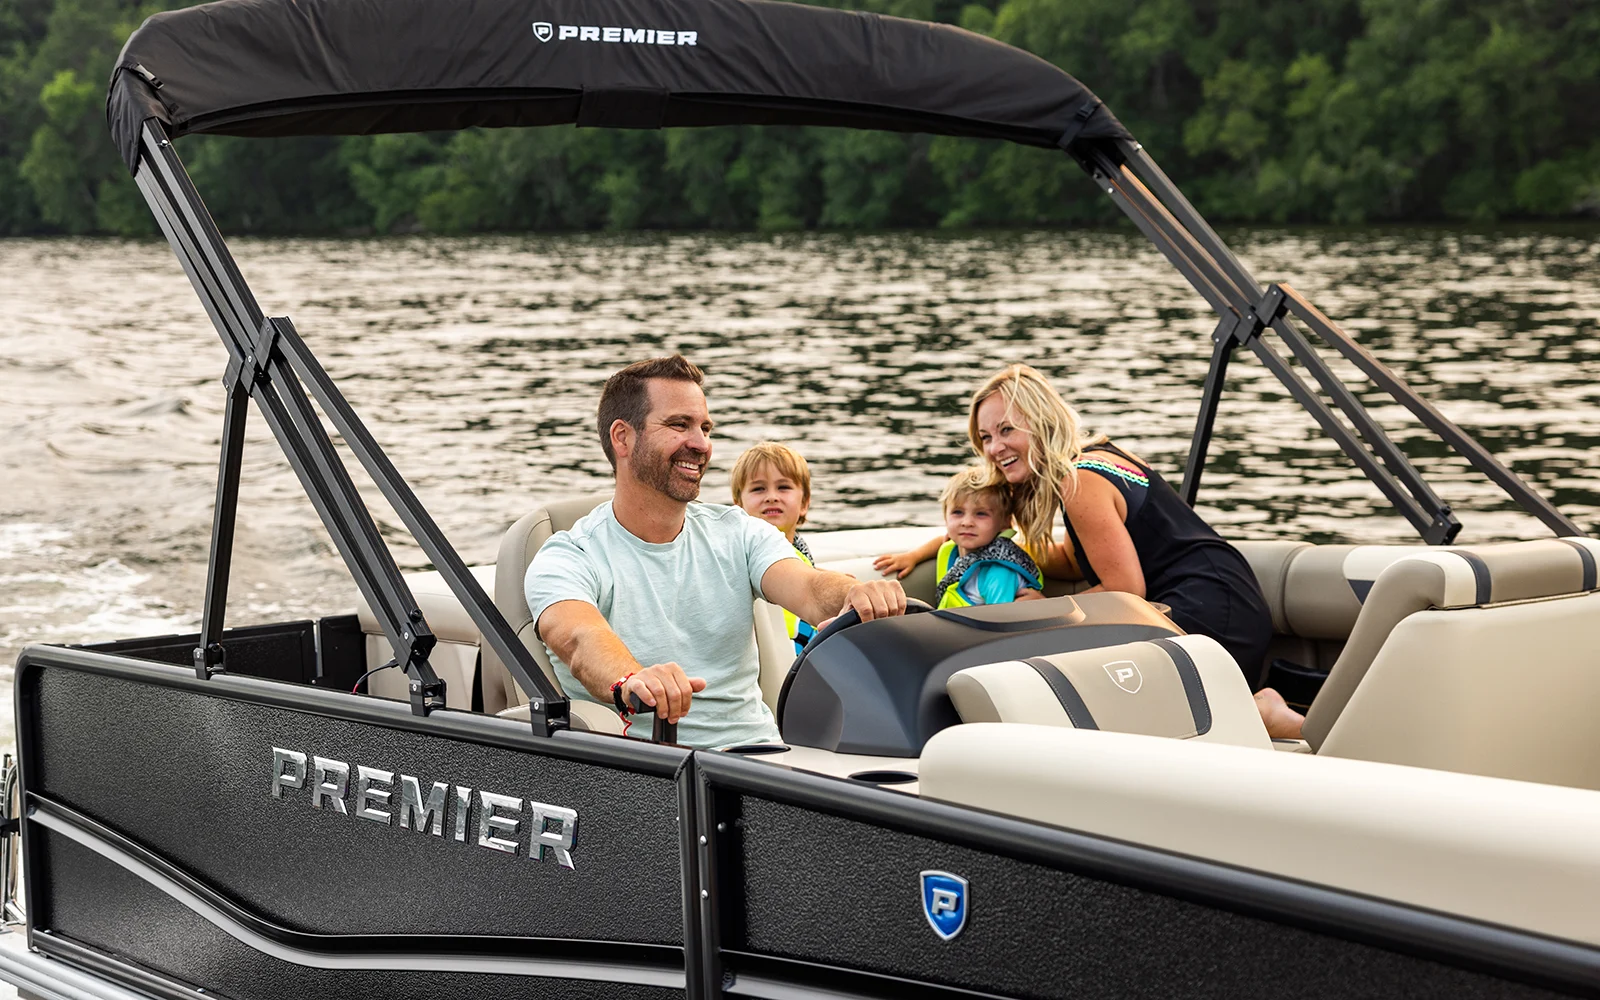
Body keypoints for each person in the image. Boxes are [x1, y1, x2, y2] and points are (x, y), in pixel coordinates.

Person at [875, 364, 1302, 739]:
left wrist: (1044, 609)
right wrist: (982, 548)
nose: (993, 448)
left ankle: (1262, 713)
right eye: (985, 437)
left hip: (1207, 610)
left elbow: (1125, 589)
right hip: (1225, 596)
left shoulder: (1079, 482)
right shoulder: (1093, 459)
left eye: (1006, 430)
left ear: (1042, 422)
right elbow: (1073, 561)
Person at [526, 356, 907, 749]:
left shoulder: (739, 532)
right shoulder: (568, 556)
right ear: (623, 437)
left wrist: (852, 593)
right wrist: (632, 680)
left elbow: (808, 586)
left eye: (705, 428)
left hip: (764, 758)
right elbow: (578, 636)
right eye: (679, 425)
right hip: (654, 772)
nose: (701, 444)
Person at [732, 442, 818, 654]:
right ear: (738, 506)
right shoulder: (735, 557)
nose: (771, 496)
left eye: (783, 487)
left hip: (810, 654)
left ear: (804, 503)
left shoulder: (800, 552)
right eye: (758, 489)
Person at [933, 467, 1043, 608]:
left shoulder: (999, 574)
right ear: (945, 517)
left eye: (981, 514)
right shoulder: (949, 551)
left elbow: (1001, 620)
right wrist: (914, 556)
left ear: (1005, 522)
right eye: (957, 512)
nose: (967, 522)